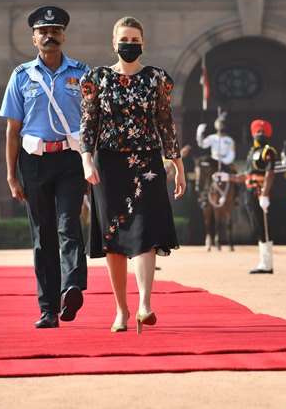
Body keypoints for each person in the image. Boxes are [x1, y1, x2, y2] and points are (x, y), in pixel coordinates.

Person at [79, 16, 185, 333]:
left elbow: (166, 125)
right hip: (108, 165)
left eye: (136, 40)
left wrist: (179, 167)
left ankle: (145, 305)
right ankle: (121, 310)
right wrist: (86, 161)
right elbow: (88, 125)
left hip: (147, 164)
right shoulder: (96, 79)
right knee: (113, 239)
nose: (130, 44)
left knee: (144, 232)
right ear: (114, 43)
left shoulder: (156, 79)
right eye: (124, 39)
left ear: (143, 43)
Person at [0, 5, 89, 329]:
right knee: (43, 234)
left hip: (70, 159)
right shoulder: (21, 76)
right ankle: (48, 308)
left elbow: (93, 123)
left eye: (55, 31)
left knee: (69, 224)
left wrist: (90, 162)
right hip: (33, 161)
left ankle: (72, 287)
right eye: (43, 32)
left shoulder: (82, 73)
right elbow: (12, 129)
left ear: (64, 36)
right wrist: (11, 175)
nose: (50, 36)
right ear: (34, 38)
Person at [244, 119, 277, 274]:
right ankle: (263, 261)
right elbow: (247, 174)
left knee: (264, 227)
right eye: (258, 131)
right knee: (257, 226)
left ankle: (267, 263)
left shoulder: (268, 151)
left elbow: (270, 173)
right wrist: (226, 177)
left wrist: (265, 193)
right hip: (249, 192)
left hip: (260, 193)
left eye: (263, 131)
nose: (260, 134)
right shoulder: (251, 152)